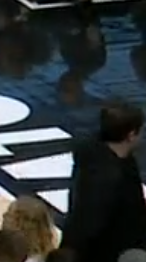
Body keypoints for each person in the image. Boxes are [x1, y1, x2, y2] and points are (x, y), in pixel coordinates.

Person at [61, 103, 145, 262]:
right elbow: (91, 225)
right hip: (108, 252)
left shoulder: (94, 151)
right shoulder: (109, 179)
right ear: (131, 135)